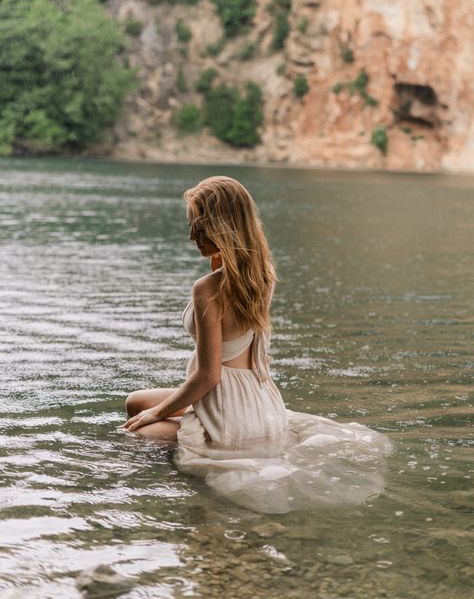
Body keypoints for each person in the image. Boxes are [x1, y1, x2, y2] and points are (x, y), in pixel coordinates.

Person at [122, 176, 392, 513]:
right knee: (136, 403)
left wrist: (159, 412)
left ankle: (187, 486)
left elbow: (208, 377)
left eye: (198, 226)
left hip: (227, 407)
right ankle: (192, 444)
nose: (191, 236)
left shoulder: (207, 289)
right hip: (260, 400)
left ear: (222, 226)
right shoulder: (263, 273)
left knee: (138, 432)